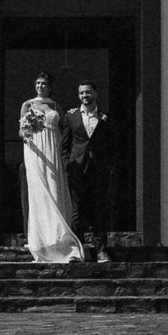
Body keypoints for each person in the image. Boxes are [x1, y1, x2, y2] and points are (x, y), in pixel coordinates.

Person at [19, 71, 83, 264]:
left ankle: (57, 234)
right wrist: (29, 130)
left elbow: (64, 131)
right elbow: (22, 132)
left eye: (44, 83)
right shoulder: (27, 105)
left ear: (49, 86)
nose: (40, 86)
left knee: (54, 186)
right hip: (36, 149)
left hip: (52, 149)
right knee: (39, 188)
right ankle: (40, 238)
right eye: (38, 83)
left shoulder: (56, 106)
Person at [62, 80, 114, 263]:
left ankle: (101, 251)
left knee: (99, 211)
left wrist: (108, 166)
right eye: (81, 93)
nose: (85, 96)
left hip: (98, 171)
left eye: (88, 92)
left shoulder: (105, 116)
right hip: (77, 170)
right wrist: (68, 163)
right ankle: (76, 251)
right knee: (78, 212)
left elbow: (111, 144)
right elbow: (65, 144)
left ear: (95, 93)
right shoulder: (71, 117)